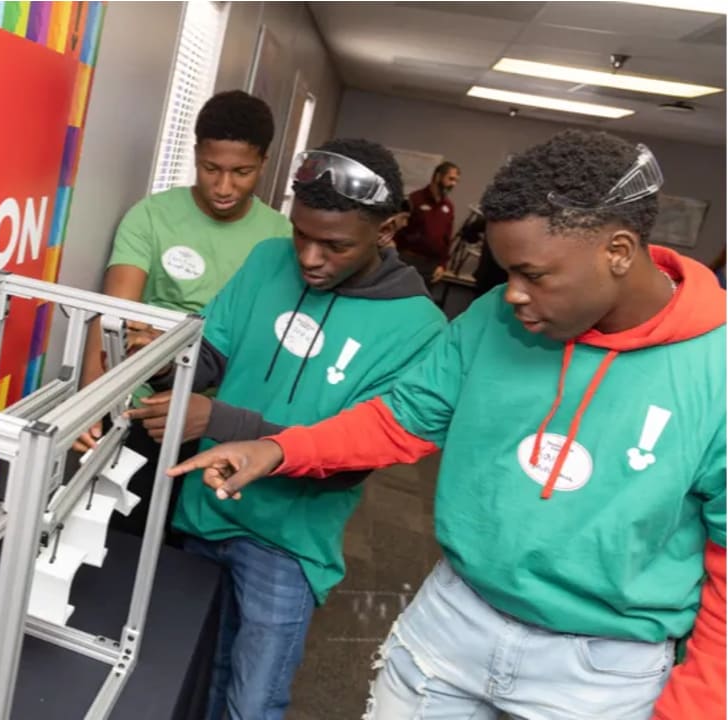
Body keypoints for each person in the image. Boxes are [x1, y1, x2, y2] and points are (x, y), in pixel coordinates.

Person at [170, 130, 726, 720]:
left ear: (617, 251)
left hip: (599, 667)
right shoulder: (493, 320)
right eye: (506, 273)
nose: (511, 296)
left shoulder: (713, 368)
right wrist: (279, 449)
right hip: (457, 619)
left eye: (534, 275)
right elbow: (400, 419)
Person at [131, 138, 445, 720]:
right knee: (188, 674)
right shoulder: (265, 260)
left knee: (251, 701)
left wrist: (217, 419)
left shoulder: (419, 328)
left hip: (287, 542)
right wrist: (164, 364)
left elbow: (350, 464)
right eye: (301, 234)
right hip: (206, 510)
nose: (309, 257)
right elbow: (215, 354)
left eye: (335, 245)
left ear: (387, 230)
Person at [73, 90, 293, 540]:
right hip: (144, 410)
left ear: (264, 163)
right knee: (118, 540)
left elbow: (269, 345)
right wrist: (88, 406)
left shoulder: (282, 239)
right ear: (195, 155)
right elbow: (113, 316)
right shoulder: (152, 217)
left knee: (194, 551)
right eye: (211, 168)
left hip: (223, 420)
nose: (224, 186)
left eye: (242, 172)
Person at [396, 161, 460, 283]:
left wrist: (442, 265)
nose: (453, 184)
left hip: (431, 265)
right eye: (451, 179)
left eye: (456, 181)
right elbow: (398, 229)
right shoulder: (415, 199)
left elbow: (447, 238)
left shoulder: (448, 206)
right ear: (438, 176)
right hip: (408, 259)